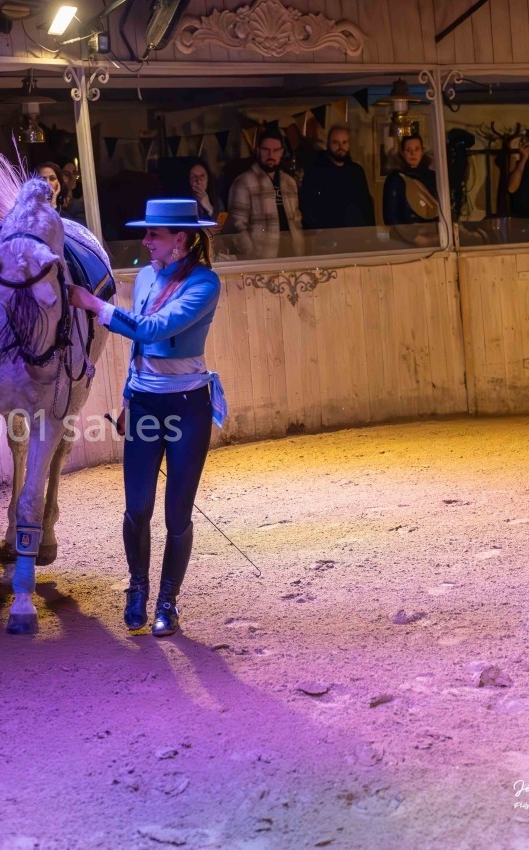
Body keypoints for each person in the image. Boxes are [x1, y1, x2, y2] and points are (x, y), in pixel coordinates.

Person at [67, 198, 227, 638]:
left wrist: (93, 305)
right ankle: (137, 588)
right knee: (137, 507)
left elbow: (153, 329)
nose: (145, 241)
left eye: (153, 234)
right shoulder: (141, 278)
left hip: (186, 407)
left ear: (181, 239)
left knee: (178, 514)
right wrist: (127, 399)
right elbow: (138, 347)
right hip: (143, 403)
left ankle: (167, 602)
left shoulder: (205, 284)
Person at [225, 129, 302, 259]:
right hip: (261, 257)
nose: (271, 154)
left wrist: (300, 247)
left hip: (292, 254)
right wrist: (251, 252)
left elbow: (296, 220)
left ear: (282, 152)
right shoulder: (244, 182)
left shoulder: (289, 182)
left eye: (276, 150)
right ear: (258, 150)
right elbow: (237, 225)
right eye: (266, 150)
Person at [299, 125, 374, 233]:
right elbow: (307, 207)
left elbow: (366, 206)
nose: (340, 146)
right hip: (327, 237)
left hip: (356, 236)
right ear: (328, 144)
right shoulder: (316, 171)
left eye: (344, 142)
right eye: (335, 142)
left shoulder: (356, 171)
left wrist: (370, 233)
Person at [382, 134, 440, 246]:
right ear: (403, 153)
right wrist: (413, 238)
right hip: (405, 239)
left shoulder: (432, 177)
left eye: (417, 149)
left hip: (434, 235)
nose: (413, 154)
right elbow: (391, 217)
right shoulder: (395, 179)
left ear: (422, 151)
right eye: (409, 150)